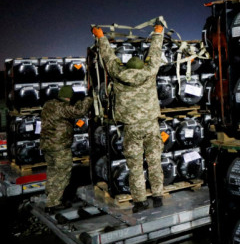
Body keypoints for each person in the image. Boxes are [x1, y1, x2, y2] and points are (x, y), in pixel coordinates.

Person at [92, 22, 166, 213]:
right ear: (142, 66)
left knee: (135, 166)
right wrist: (158, 32)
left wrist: (100, 36)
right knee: (154, 161)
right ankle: (158, 196)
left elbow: (108, 58)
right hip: (151, 125)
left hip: (132, 128)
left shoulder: (118, 74)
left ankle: (140, 201)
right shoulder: (149, 73)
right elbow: (155, 53)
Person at [40, 85, 93, 213]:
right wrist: (88, 99)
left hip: (47, 145)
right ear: (69, 97)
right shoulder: (62, 108)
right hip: (59, 147)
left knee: (53, 172)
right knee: (63, 174)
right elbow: (79, 112)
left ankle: (50, 196)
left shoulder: (49, 104)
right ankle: (53, 203)